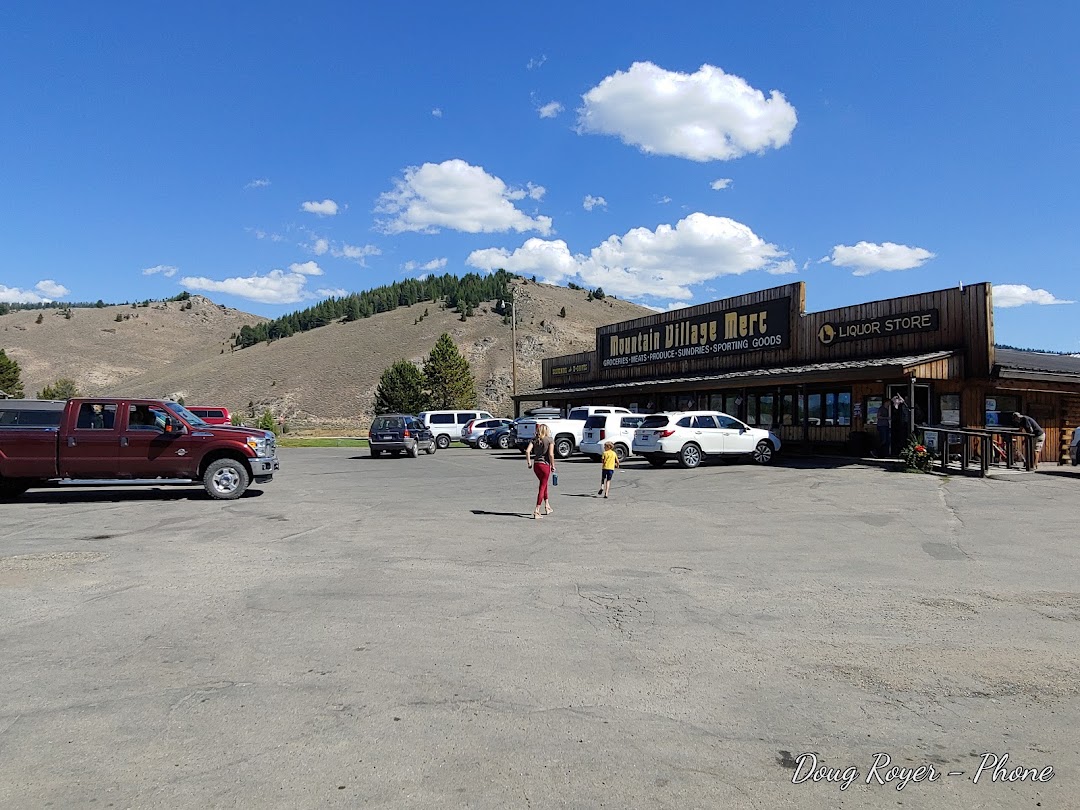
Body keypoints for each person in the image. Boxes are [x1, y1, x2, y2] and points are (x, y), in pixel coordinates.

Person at [525, 422, 556, 519]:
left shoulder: (535, 439)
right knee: (542, 486)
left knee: (544, 484)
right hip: (545, 465)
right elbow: (551, 454)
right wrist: (553, 465)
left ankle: (547, 505)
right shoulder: (550, 440)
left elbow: (527, 451)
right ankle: (537, 510)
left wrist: (529, 463)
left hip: (536, 465)